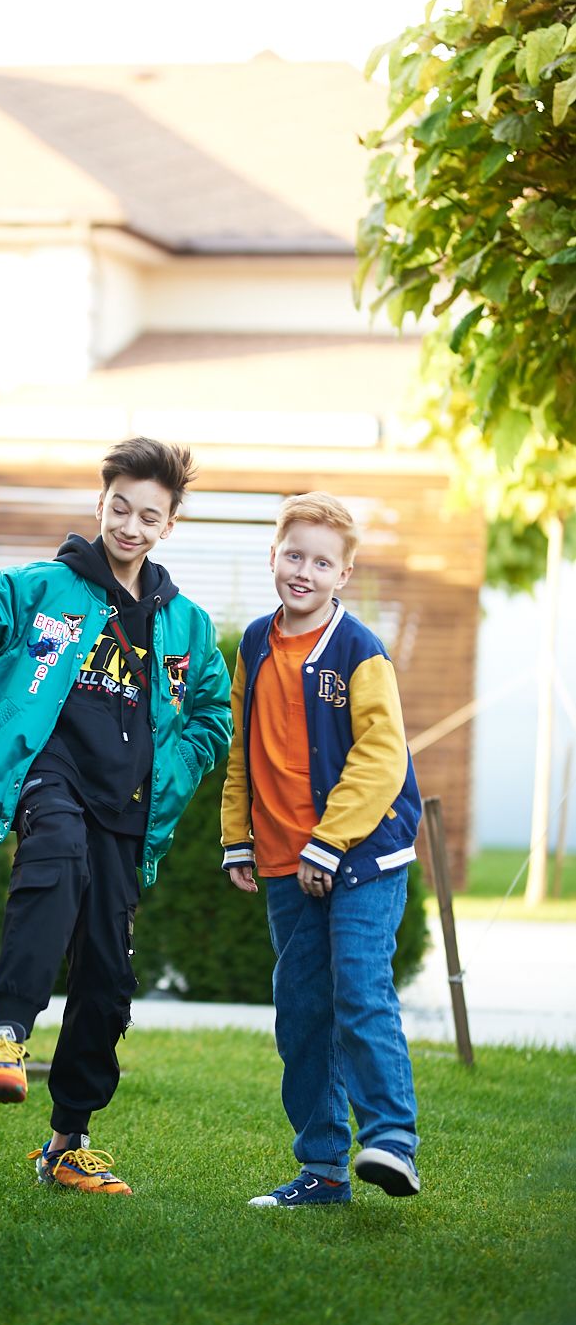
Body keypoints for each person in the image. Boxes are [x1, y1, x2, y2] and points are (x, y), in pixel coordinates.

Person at [0, 438, 231, 1195]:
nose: (130, 526)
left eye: (149, 516)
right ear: (100, 502)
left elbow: (213, 712)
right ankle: (6, 1036)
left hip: (127, 808)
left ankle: (67, 1144)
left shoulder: (184, 624)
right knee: (55, 858)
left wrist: (177, 766)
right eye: (120, 507)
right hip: (51, 777)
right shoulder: (41, 587)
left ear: (169, 525)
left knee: (108, 977)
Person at [221, 492, 422, 1207]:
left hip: (361, 857)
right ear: (273, 556)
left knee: (358, 988)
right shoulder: (254, 643)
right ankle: (324, 1170)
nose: (304, 571)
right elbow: (243, 748)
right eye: (294, 555)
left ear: (344, 574)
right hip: (284, 859)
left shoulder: (358, 651)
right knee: (302, 1010)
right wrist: (237, 836)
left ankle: (392, 1141)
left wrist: (329, 843)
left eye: (322, 562)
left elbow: (381, 757)